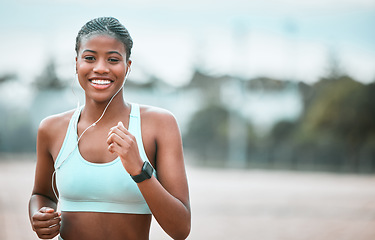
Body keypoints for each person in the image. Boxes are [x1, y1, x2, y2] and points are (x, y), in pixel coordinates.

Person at [28, 17, 191, 240]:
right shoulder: (51, 128)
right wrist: (39, 215)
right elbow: (42, 194)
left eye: (113, 59)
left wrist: (139, 170)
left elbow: (180, 229)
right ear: (76, 63)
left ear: (128, 66)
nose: (101, 68)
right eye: (89, 58)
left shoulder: (159, 125)